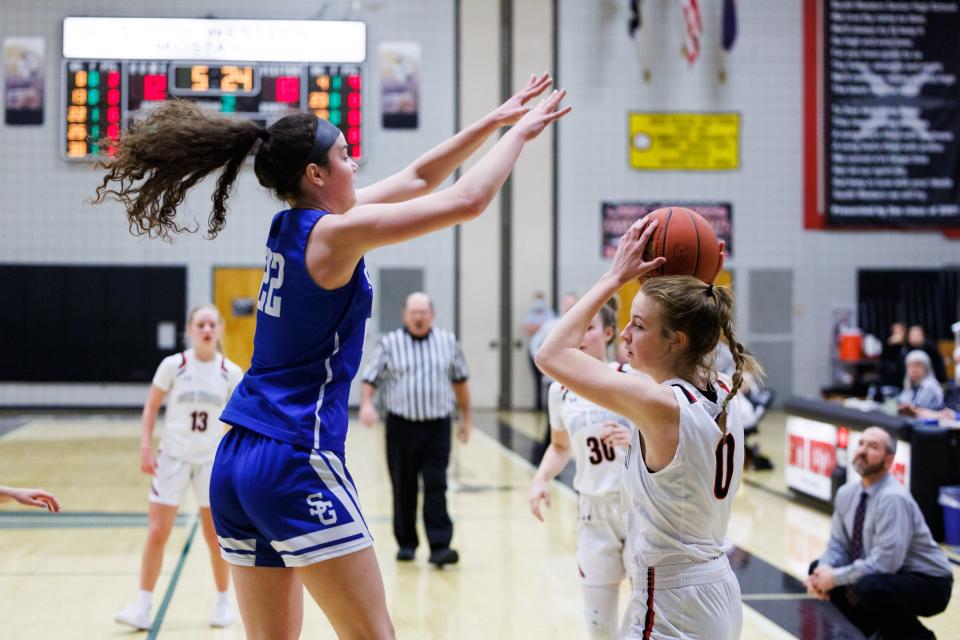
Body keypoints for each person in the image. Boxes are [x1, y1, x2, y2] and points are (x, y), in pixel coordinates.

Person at [94, 72, 568, 639]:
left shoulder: (291, 226)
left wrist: (494, 122)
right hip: (294, 453)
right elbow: (468, 200)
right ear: (316, 174)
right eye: (346, 155)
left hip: (237, 457)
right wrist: (522, 134)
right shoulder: (334, 237)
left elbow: (419, 176)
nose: (355, 164)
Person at [536, 216, 759, 640]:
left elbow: (552, 353)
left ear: (677, 340)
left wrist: (614, 276)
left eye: (638, 325)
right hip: (718, 588)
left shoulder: (661, 405)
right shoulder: (725, 390)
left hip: (672, 598)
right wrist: (698, 281)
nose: (624, 334)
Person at [114, 305, 244, 631]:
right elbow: (151, 406)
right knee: (158, 531)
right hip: (172, 457)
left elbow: (242, 420)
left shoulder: (231, 371)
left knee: (215, 536)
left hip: (211, 461)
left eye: (212, 324)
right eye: (200, 324)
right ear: (189, 329)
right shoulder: (174, 366)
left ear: (220, 329)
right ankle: (143, 605)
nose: (206, 330)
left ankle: (223, 601)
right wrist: (145, 445)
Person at [528, 300, 635, 639]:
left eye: (589, 328)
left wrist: (636, 439)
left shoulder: (633, 379)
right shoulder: (559, 391)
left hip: (639, 510)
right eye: (576, 328)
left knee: (646, 621)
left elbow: (668, 437)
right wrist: (540, 478)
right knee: (599, 626)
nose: (581, 336)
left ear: (608, 333)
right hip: (592, 512)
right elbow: (560, 446)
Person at [805, 427, 953, 639]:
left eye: (873, 447)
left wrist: (834, 578)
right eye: (861, 443)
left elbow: (886, 564)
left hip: (930, 582)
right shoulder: (847, 493)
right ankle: (878, 633)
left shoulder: (893, 498)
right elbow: (838, 545)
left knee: (871, 587)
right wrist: (823, 572)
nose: (863, 450)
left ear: (889, 460)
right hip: (890, 576)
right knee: (819, 568)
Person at [359, 291, 471, 567]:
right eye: (413, 312)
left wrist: (466, 417)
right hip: (401, 426)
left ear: (432, 314)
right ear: (405, 315)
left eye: (423, 311)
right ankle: (406, 543)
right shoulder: (389, 344)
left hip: (437, 426)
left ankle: (440, 546)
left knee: (436, 484)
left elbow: (460, 381)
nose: (418, 316)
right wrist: (366, 404)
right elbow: (370, 378)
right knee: (403, 485)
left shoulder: (448, 342)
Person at [523, 291, 557, 410]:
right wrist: (541, 326)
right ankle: (537, 405)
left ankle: (548, 405)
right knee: (537, 380)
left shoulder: (550, 315)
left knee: (550, 380)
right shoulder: (530, 314)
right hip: (534, 351)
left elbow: (552, 329)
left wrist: (538, 326)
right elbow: (528, 328)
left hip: (548, 352)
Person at [880, 321, 907, 387]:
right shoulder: (889, 346)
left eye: (900, 331)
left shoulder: (908, 345)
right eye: (895, 331)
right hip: (893, 379)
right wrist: (891, 344)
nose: (898, 333)